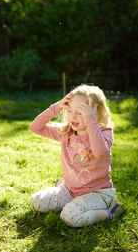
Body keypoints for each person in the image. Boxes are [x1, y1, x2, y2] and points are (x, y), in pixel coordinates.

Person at [29, 84, 125, 228]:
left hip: (97, 193)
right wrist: (57, 107)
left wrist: (90, 119)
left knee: (69, 217)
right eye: (70, 110)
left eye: (81, 112)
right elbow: (35, 127)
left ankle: (110, 211)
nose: (72, 117)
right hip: (70, 190)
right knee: (35, 202)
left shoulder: (104, 132)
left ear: (96, 113)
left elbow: (99, 152)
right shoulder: (66, 132)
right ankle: (68, 194)